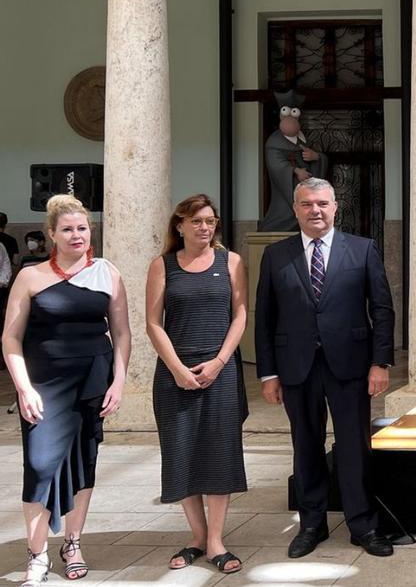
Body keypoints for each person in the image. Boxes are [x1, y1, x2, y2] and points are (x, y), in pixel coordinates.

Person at [256, 178, 395, 559]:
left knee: (353, 446)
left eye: (322, 203)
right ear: (296, 209)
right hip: (296, 367)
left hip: (350, 365)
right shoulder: (276, 255)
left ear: (336, 207)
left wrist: (379, 363)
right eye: (306, 204)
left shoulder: (363, 249)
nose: (315, 210)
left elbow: (381, 310)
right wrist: (268, 373)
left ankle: (363, 525)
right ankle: (312, 524)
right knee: (306, 446)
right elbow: (264, 318)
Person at [1, 194, 129, 584]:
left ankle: (72, 542)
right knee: (39, 466)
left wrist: (120, 381)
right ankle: (36, 553)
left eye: (83, 228)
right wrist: (23, 389)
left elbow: (122, 334)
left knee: (84, 465)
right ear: (52, 235)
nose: (77, 235)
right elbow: (10, 339)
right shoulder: (31, 276)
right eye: (68, 229)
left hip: (92, 379)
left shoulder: (107, 273)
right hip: (43, 384)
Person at [146, 194, 248, 574]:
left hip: (219, 371)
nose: (205, 227)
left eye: (210, 220)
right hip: (175, 374)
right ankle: (197, 536)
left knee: (219, 455)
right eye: (196, 221)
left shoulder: (232, 262)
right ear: (180, 225)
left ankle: (217, 540)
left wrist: (220, 362)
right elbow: (153, 323)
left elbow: (240, 314)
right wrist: (176, 369)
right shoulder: (162, 265)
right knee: (182, 453)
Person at [258, 90, 328, 232]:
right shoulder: (274, 141)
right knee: (288, 211)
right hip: (287, 188)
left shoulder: (303, 139)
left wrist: (316, 157)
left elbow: (319, 157)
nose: (290, 117)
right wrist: (295, 171)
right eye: (286, 112)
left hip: (306, 187)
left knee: (307, 205)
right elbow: (275, 164)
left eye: (294, 112)